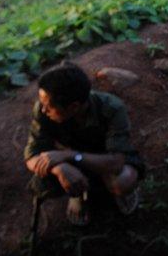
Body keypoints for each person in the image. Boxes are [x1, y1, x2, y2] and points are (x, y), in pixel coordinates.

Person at [24, 63, 144, 226]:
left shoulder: (112, 108)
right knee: (43, 185)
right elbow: (31, 156)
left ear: (74, 107)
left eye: (49, 107)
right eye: (43, 104)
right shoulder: (43, 109)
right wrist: (60, 168)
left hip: (104, 155)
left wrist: (71, 156)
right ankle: (77, 193)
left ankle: (113, 192)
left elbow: (116, 162)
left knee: (122, 182)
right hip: (66, 155)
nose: (44, 110)